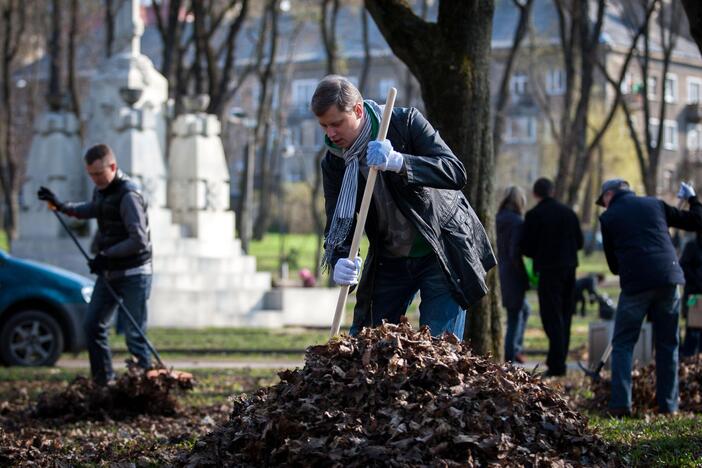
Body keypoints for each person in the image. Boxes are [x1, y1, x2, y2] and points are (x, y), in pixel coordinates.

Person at [311, 75, 496, 339]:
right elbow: (338, 220)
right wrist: (341, 258)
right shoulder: (335, 162)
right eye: (324, 126)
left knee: (438, 348)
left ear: (358, 110)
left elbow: (455, 172)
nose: (330, 134)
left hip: (440, 250)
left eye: (337, 123)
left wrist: (400, 162)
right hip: (390, 259)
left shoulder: (404, 123)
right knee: (368, 343)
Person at [37, 144, 153, 385]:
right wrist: (61, 205)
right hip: (110, 271)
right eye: (91, 174)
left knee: (134, 334)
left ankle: (146, 388)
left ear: (113, 166)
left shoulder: (129, 195)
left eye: (99, 174)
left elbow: (139, 240)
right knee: (93, 325)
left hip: (134, 273)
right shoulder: (101, 191)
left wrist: (106, 255)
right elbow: (93, 209)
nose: (96, 179)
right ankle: (104, 384)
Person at [598, 178, 702, 416]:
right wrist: (693, 198)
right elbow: (697, 220)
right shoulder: (656, 204)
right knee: (668, 344)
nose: (604, 206)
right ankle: (669, 406)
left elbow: (613, 266)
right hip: (668, 279)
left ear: (608, 196)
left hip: (636, 284)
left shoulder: (608, 218)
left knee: (623, 343)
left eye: (603, 201)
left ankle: (621, 405)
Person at [521, 177, 583, 376]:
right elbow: (580, 242)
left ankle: (557, 364)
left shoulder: (534, 215)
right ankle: (558, 360)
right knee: (565, 315)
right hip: (569, 269)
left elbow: (527, 247)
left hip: (548, 271)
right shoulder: (569, 213)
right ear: (553, 192)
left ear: (535, 194)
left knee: (551, 316)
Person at [496, 186, 531, 363]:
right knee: (515, 315)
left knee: (523, 310)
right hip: (513, 274)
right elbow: (515, 253)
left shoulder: (497, 218)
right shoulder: (517, 222)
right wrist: (525, 275)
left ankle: (515, 349)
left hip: (499, 271)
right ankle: (511, 356)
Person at [679, 232, 702, 357]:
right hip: (693, 296)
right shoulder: (691, 247)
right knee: (692, 330)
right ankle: (688, 359)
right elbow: (683, 267)